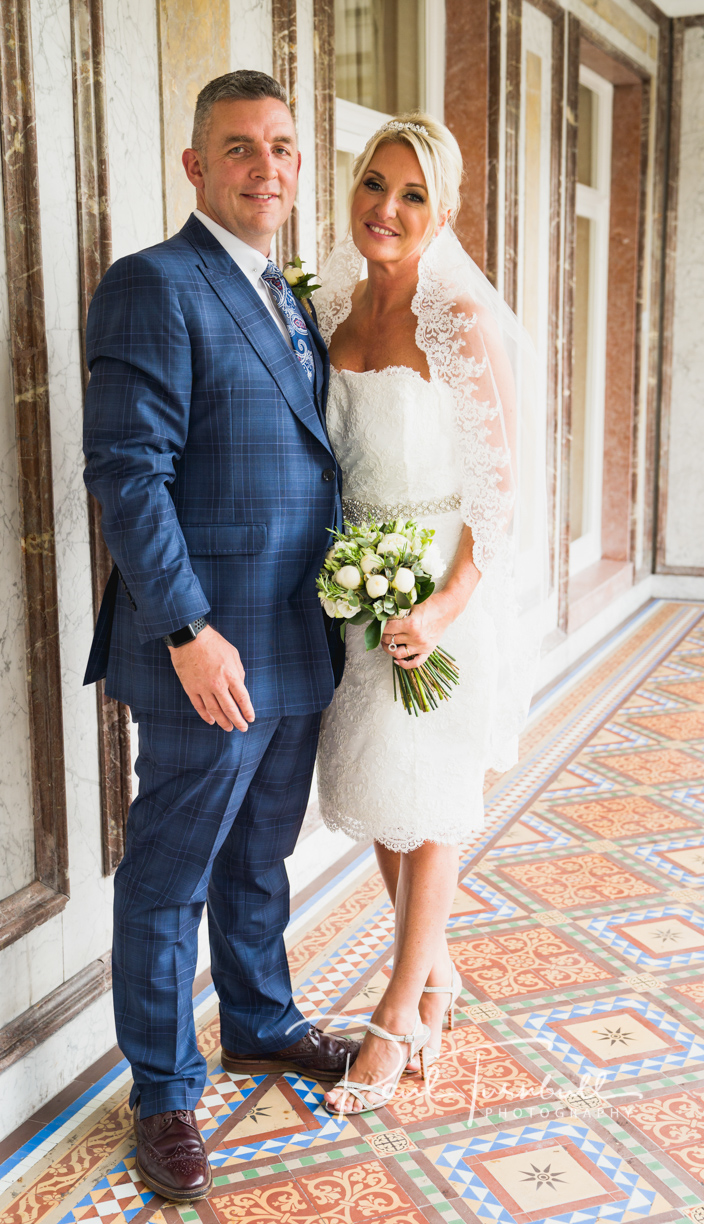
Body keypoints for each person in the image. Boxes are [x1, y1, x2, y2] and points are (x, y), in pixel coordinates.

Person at [82, 70, 358, 1201]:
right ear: (195, 166)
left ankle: (259, 1019)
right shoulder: (156, 284)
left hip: (293, 638)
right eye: (240, 148)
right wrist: (188, 628)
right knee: (170, 873)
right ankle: (162, 1090)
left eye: (284, 147)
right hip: (206, 647)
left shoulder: (291, 296)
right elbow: (128, 474)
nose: (267, 167)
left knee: (261, 856)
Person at [313, 114, 545, 1115]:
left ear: (441, 212)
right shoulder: (328, 311)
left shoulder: (463, 322)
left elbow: (503, 492)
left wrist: (444, 611)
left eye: (413, 194)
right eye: (375, 184)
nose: (388, 209)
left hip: (437, 591)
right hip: (353, 588)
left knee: (436, 802)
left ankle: (397, 1008)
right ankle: (437, 971)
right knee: (384, 797)